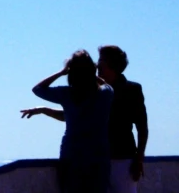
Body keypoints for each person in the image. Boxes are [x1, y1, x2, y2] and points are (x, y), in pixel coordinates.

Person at [22, 45, 148, 193]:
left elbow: (142, 127)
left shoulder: (131, 90)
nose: (97, 63)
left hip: (120, 157)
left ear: (110, 64)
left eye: (101, 59)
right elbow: (75, 115)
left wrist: (139, 159)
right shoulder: (105, 92)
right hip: (101, 157)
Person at [31, 50, 114, 193]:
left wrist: (61, 72)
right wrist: (92, 74)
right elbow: (105, 85)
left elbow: (38, 89)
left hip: (72, 155)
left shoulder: (66, 94)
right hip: (98, 156)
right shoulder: (106, 94)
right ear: (92, 70)